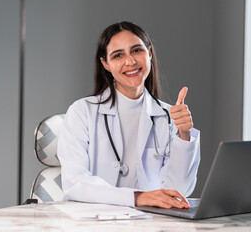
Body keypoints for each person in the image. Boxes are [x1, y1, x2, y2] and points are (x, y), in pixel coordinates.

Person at [57, 21, 200, 209]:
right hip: (93, 222)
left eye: (137, 51)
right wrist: (137, 197)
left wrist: (183, 135)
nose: (130, 61)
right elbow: (76, 184)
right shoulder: (82, 112)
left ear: (149, 53)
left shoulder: (168, 116)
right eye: (118, 55)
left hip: (148, 223)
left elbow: (178, 191)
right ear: (105, 64)